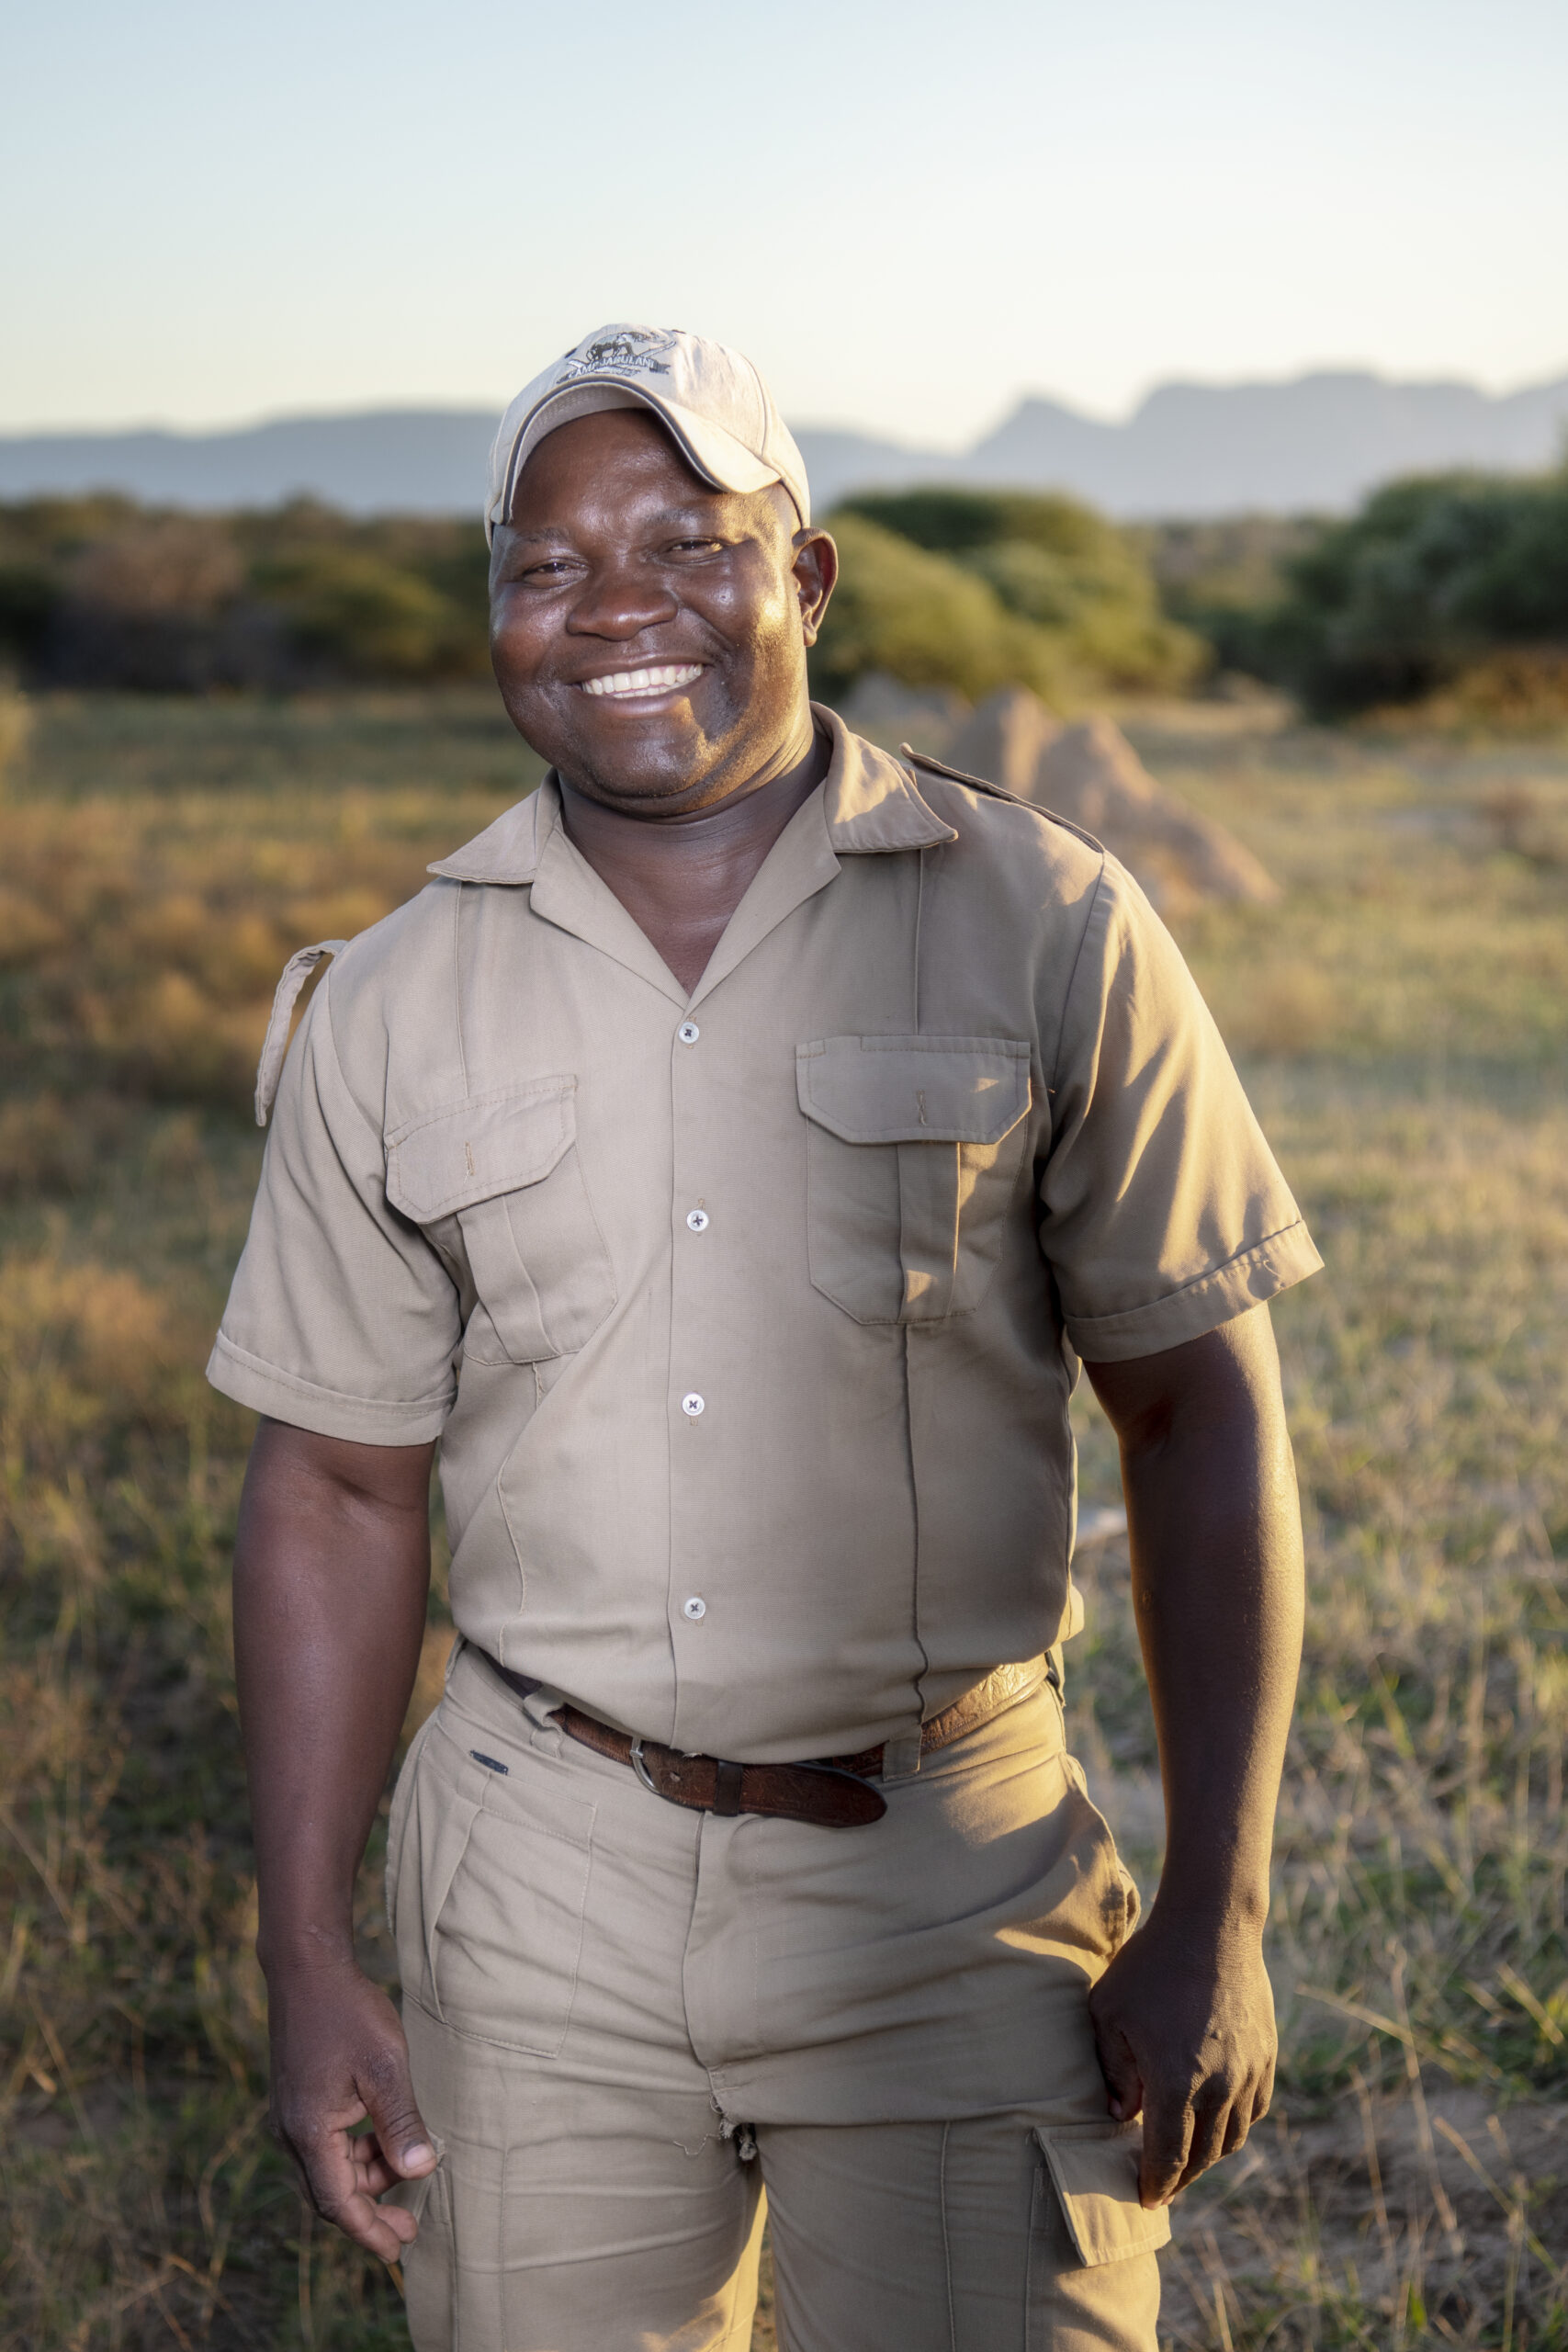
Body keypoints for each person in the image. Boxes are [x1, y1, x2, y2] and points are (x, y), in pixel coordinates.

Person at [211, 323, 1321, 2352]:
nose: (614, 608)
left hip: (947, 1869)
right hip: (537, 1882)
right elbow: (336, 1492)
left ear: (803, 578)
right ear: (494, 612)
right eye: (549, 564)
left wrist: (1216, 1912)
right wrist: (304, 1953)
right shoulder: (387, 1002)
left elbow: (1197, 1416)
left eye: (684, 543)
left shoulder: (1048, 921)